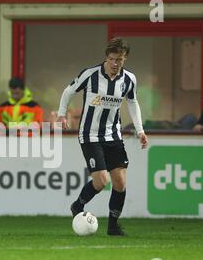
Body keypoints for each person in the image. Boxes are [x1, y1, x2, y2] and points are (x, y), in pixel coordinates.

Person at [56, 37, 148, 236]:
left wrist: (140, 130)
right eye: (113, 59)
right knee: (101, 181)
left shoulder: (129, 79)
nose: (116, 64)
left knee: (120, 183)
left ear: (125, 59)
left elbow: (132, 103)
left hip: (113, 135)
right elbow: (68, 91)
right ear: (107, 57)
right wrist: (62, 114)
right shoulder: (90, 75)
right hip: (90, 135)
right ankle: (77, 206)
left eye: (121, 60)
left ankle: (113, 225)